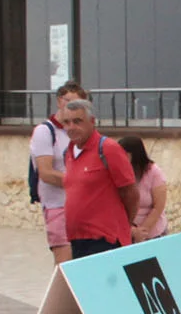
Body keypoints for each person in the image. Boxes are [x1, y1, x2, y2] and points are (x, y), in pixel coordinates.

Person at [57, 96, 136, 259]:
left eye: (77, 121)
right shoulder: (69, 153)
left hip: (105, 240)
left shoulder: (108, 149)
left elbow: (130, 193)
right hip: (77, 239)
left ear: (92, 121)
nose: (71, 127)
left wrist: (123, 224)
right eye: (67, 122)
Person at [28, 83, 78, 264]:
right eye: (70, 102)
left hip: (80, 205)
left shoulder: (76, 132)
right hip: (57, 204)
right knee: (65, 263)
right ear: (59, 101)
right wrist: (79, 182)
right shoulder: (45, 132)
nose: (73, 108)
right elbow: (46, 172)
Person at [121, 135, 169, 242]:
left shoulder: (154, 172)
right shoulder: (119, 173)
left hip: (154, 233)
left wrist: (142, 232)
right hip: (126, 232)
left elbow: (158, 207)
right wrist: (132, 231)